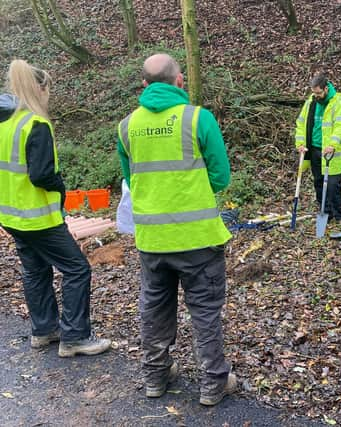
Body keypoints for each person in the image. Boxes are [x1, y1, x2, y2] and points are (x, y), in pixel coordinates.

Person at [117, 53, 237, 405]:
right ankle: (214, 383)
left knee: (154, 308)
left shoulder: (126, 126)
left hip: (152, 240)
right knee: (204, 311)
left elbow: (131, 179)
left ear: (144, 85)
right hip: (198, 239)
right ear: (179, 81)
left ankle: (155, 376)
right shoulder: (198, 118)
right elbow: (221, 176)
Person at [0, 60, 111, 357]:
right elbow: (41, 174)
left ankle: (44, 330)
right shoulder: (36, 124)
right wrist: (60, 187)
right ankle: (75, 337)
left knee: (35, 270)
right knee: (77, 269)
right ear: (40, 88)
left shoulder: (5, 123)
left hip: (11, 215)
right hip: (38, 217)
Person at [295, 73, 341, 224]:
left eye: (319, 93)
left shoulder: (338, 104)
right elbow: (301, 124)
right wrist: (300, 143)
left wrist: (332, 144)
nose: (316, 96)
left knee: (333, 184)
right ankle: (325, 212)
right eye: (314, 93)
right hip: (313, 149)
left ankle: (339, 214)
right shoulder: (311, 102)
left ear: (326, 89)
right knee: (318, 181)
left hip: (331, 152)